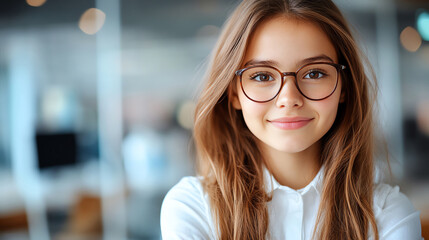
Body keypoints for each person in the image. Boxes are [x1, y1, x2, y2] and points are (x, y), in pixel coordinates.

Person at [160, 0, 423, 239]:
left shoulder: (388, 215)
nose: (289, 98)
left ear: (344, 87)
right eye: (262, 76)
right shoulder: (194, 208)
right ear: (233, 93)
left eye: (315, 73)